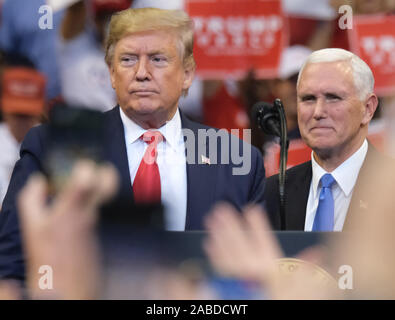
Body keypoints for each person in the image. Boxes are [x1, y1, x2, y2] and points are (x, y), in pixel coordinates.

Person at [0, 7, 266, 280]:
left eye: (158, 59)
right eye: (127, 60)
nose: (141, 73)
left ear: (187, 73)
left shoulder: (237, 160)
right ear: (112, 74)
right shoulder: (53, 146)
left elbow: (258, 275)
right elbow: (10, 264)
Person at [264, 48, 392, 231]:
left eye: (333, 98)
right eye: (308, 99)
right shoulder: (273, 194)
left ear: (368, 109)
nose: (318, 112)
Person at [0, 67, 45, 207]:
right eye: (17, 113)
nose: (22, 121)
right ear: (4, 109)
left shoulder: (48, 141)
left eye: (28, 114)